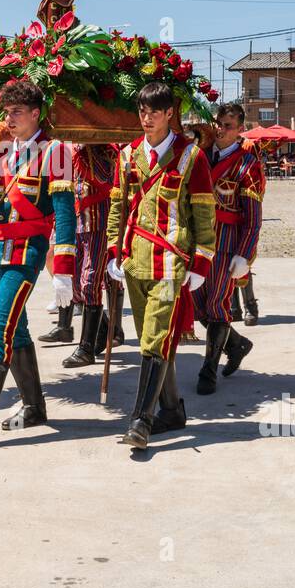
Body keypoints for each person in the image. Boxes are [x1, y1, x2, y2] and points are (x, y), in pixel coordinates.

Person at [0, 80, 76, 446]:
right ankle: (35, 407)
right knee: (17, 330)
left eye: (17, 112)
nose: (9, 119)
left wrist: (63, 272)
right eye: (6, 113)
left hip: (26, 251)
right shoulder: (1, 151)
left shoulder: (56, 151)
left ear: (36, 113)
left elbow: (66, 214)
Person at [102, 82, 215, 448]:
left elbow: (203, 212)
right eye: (142, 111)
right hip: (134, 262)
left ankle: (140, 421)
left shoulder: (191, 157)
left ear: (170, 114)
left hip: (170, 264)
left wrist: (202, 262)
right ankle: (172, 411)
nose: (146, 118)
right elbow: (118, 206)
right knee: (153, 341)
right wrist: (113, 251)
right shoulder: (126, 155)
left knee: (153, 340)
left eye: (154, 111)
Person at [191, 103, 261, 394]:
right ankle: (237, 344)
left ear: (240, 130)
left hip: (225, 241)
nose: (221, 129)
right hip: (197, 240)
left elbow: (253, 215)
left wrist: (244, 253)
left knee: (217, 304)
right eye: (218, 123)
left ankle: (208, 370)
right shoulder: (200, 155)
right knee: (198, 306)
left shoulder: (248, 164)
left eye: (228, 125)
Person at [58, 143, 122, 368]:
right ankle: (105, 328)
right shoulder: (71, 150)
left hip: (100, 222)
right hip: (78, 222)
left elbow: (107, 179)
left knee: (90, 282)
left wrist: (87, 151)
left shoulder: (106, 149)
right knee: (75, 284)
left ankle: (86, 348)